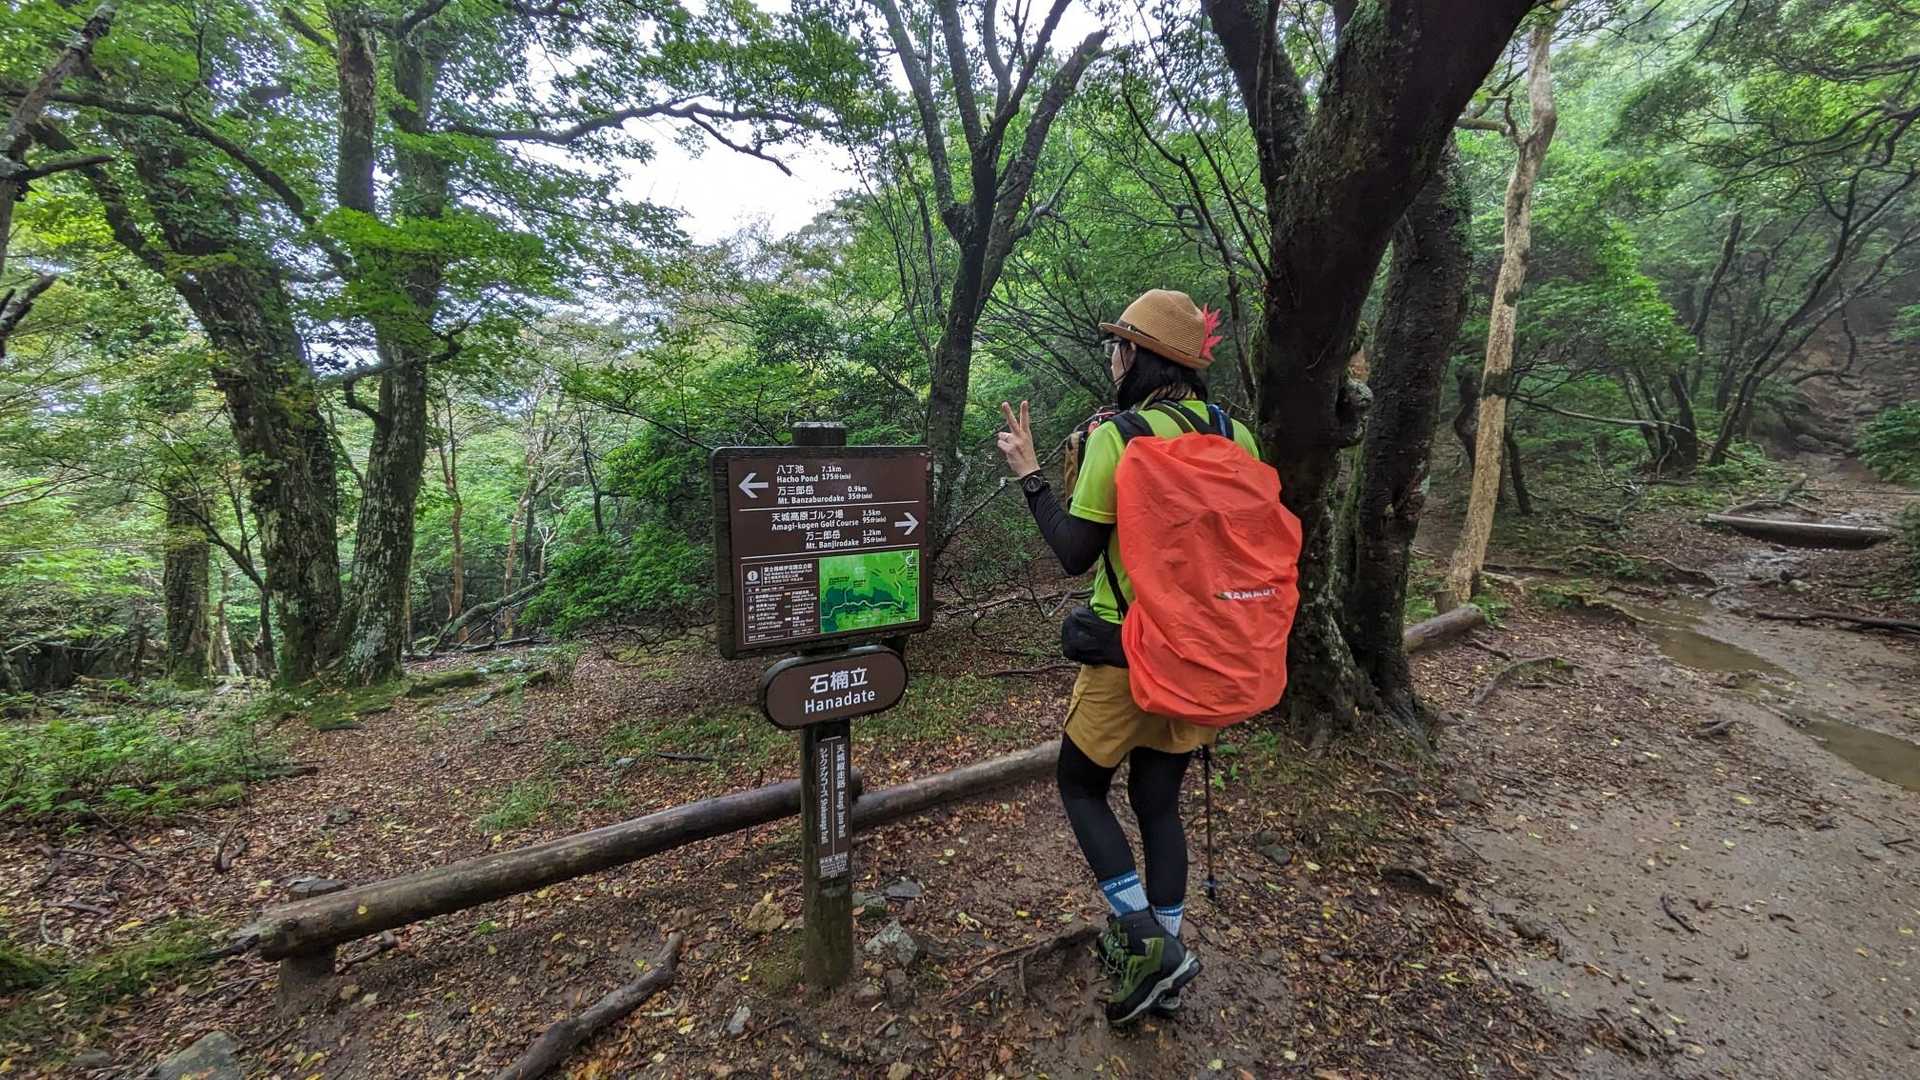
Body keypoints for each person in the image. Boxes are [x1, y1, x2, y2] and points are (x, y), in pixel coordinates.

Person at [995, 289, 1261, 1026]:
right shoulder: (1238, 434)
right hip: (1203, 653)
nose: (1113, 359)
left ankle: (1149, 945)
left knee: (1080, 786)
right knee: (1158, 802)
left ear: (1138, 356)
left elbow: (1074, 554)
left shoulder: (1120, 436)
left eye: (1118, 347)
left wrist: (1030, 473)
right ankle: (1163, 966)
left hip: (1126, 653)